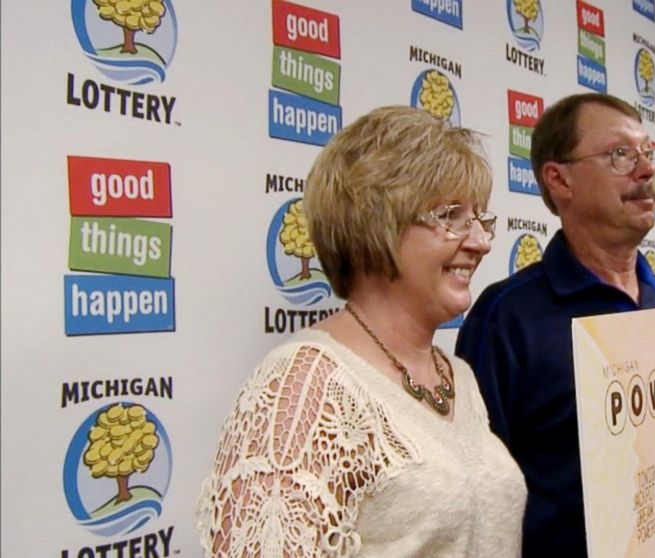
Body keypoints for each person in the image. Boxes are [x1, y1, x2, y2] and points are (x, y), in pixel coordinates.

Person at [455, 93, 655, 556]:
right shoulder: (507, 318)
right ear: (559, 179)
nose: (646, 170)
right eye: (619, 155)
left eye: (648, 153)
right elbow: (476, 492)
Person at [197, 106, 526, 557]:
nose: (481, 242)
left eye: (480, 219)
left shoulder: (459, 377)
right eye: (451, 217)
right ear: (376, 222)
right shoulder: (303, 387)